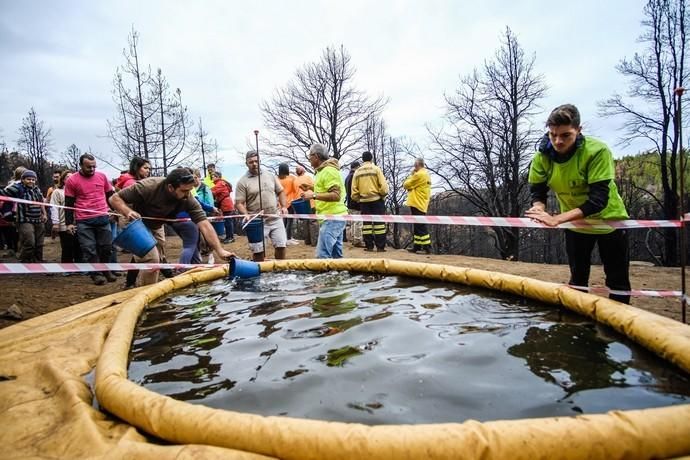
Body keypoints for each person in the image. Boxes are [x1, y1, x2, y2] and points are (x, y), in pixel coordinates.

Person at [526, 104, 631, 304]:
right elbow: (537, 190)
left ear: (579, 130)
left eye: (566, 135)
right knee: (578, 280)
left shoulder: (597, 151)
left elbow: (598, 200)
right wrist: (539, 207)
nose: (558, 141)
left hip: (609, 222)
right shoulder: (542, 156)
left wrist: (557, 219)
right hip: (575, 225)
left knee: (618, 281)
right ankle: (576, 330)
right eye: (553, 134)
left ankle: (617, 334)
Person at [109, 168, 235, 286]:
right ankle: (145, 293)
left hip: (155, 224)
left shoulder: (188, 199)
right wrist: (127, 211)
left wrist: (220, 250)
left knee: (157, 259)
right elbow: (114, 198)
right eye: (184, 191)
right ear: (170, 187)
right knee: (152, 259)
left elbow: (205, 224)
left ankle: (144, 287)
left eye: (189, 190)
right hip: (133, 219)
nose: (187, 195)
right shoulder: (149, 186)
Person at [65, 153, 116, 285]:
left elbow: (111, 195)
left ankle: (105, 270)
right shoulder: (72, 181)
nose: (92, 169)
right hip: (84, 220)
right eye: (88, 167)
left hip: (102, 217)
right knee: (89, 248)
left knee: (107, 247)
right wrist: (69, 223)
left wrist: (114, 210)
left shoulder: (102, 177)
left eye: (94, 167)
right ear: (81, 165)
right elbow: (69, 203)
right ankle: (96, 274)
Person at [235, 150, 288, 262]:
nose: (254, 164)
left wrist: (284, 206)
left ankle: (281, 271)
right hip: (256, 221)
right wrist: (245, 214)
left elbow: (281, 192)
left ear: (260, 161)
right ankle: (260, 275)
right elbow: (239, 203)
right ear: (246, 163)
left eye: (256, 161)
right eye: (251, 162)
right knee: (258, 252)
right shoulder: (242, 182)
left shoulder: (270, 176)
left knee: (281, 246)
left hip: (275, 217)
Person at [300, 144, 348, 258]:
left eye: (310, 157)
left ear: (316, 156)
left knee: (322, 255)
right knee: (336, 255)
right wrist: (311, 188)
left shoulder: (329, 171)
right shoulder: (321, 172)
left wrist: (313, 195)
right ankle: (339, 275)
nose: (309, 160)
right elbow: (326, 189)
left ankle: (324, 276)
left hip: (333, 218)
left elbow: (336, 195)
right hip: (333, 217)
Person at [0, 170, 47, 262]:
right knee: (29, 242)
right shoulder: (17, 188)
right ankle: (24, 261)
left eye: (33, 180)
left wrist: (44, 214)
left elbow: (41, 202)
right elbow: (3, 193)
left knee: (39, 243)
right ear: (23, 180)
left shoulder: (37, 189)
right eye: (28, 179)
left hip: (38, 219)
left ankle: (38, 262)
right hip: (24, 220)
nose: (31, 181)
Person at [351, 151, 389, 252]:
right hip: (377, 200)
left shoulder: (357, 172)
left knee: (366, 224)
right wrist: (381, 194)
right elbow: (384, 187)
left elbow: (354, 190)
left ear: (362, 160)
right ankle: (380, 247)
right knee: (379, 224)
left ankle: (369, 246)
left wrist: (358, 199)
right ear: (371, 158)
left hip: (363, 202)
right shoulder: (376, 169)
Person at [50, 170, 80, 265]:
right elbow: (54, 207)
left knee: (79, 246)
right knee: (67, 246)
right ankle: (67, 267)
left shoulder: (78, 191)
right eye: (68, 177)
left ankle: (80, 266)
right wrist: (55, 222)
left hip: (79, 223)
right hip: (63, 223)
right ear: (62, 179)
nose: (71, 179)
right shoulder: (57, 192)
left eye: (72, 177)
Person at [404, 158, 432, 254]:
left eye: (414, 165)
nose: (413, 166)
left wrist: (412, 174)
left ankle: (427, 247)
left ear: (417, 165)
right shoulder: (426, 174)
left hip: (417, 202)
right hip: (422, 202)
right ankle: (417, 246)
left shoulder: (419, 175)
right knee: (417, 225)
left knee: (420, 225)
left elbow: (406, 184)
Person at [294, 165, 318, 246]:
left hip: (301, 204)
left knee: (305, 222)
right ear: (303, 170)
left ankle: (307, 241)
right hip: (310, 201)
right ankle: (314, 242)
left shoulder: (295, 180)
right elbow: (314, 188)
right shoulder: (308, 177)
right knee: (313, 222)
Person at [278, 163, 299, 245]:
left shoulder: (277, 179)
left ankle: (286, 237)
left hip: (281, 204)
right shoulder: (292, 178)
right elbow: (296, 188)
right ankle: (288, 238)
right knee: (290, 221)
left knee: (284, 221)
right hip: (290, 202)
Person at [211, 171, 235, 243]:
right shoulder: (222, 183)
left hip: (226, 204)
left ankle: (230, 237)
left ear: (218, 177)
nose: (212, 178)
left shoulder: (220, 183)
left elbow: (212, 191)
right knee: (227, 221)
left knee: (228, 221)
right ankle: (228, 236)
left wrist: (206, 189)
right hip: (226, 203)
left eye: (213, 176)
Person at [344, 161, 364, 248]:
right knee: (358, 222)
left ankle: (353, 238)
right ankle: (358, 240)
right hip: (355, 203)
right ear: (357, 167)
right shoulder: (354, 176)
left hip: (349, 203)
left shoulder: (347, 177)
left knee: (353, 222)